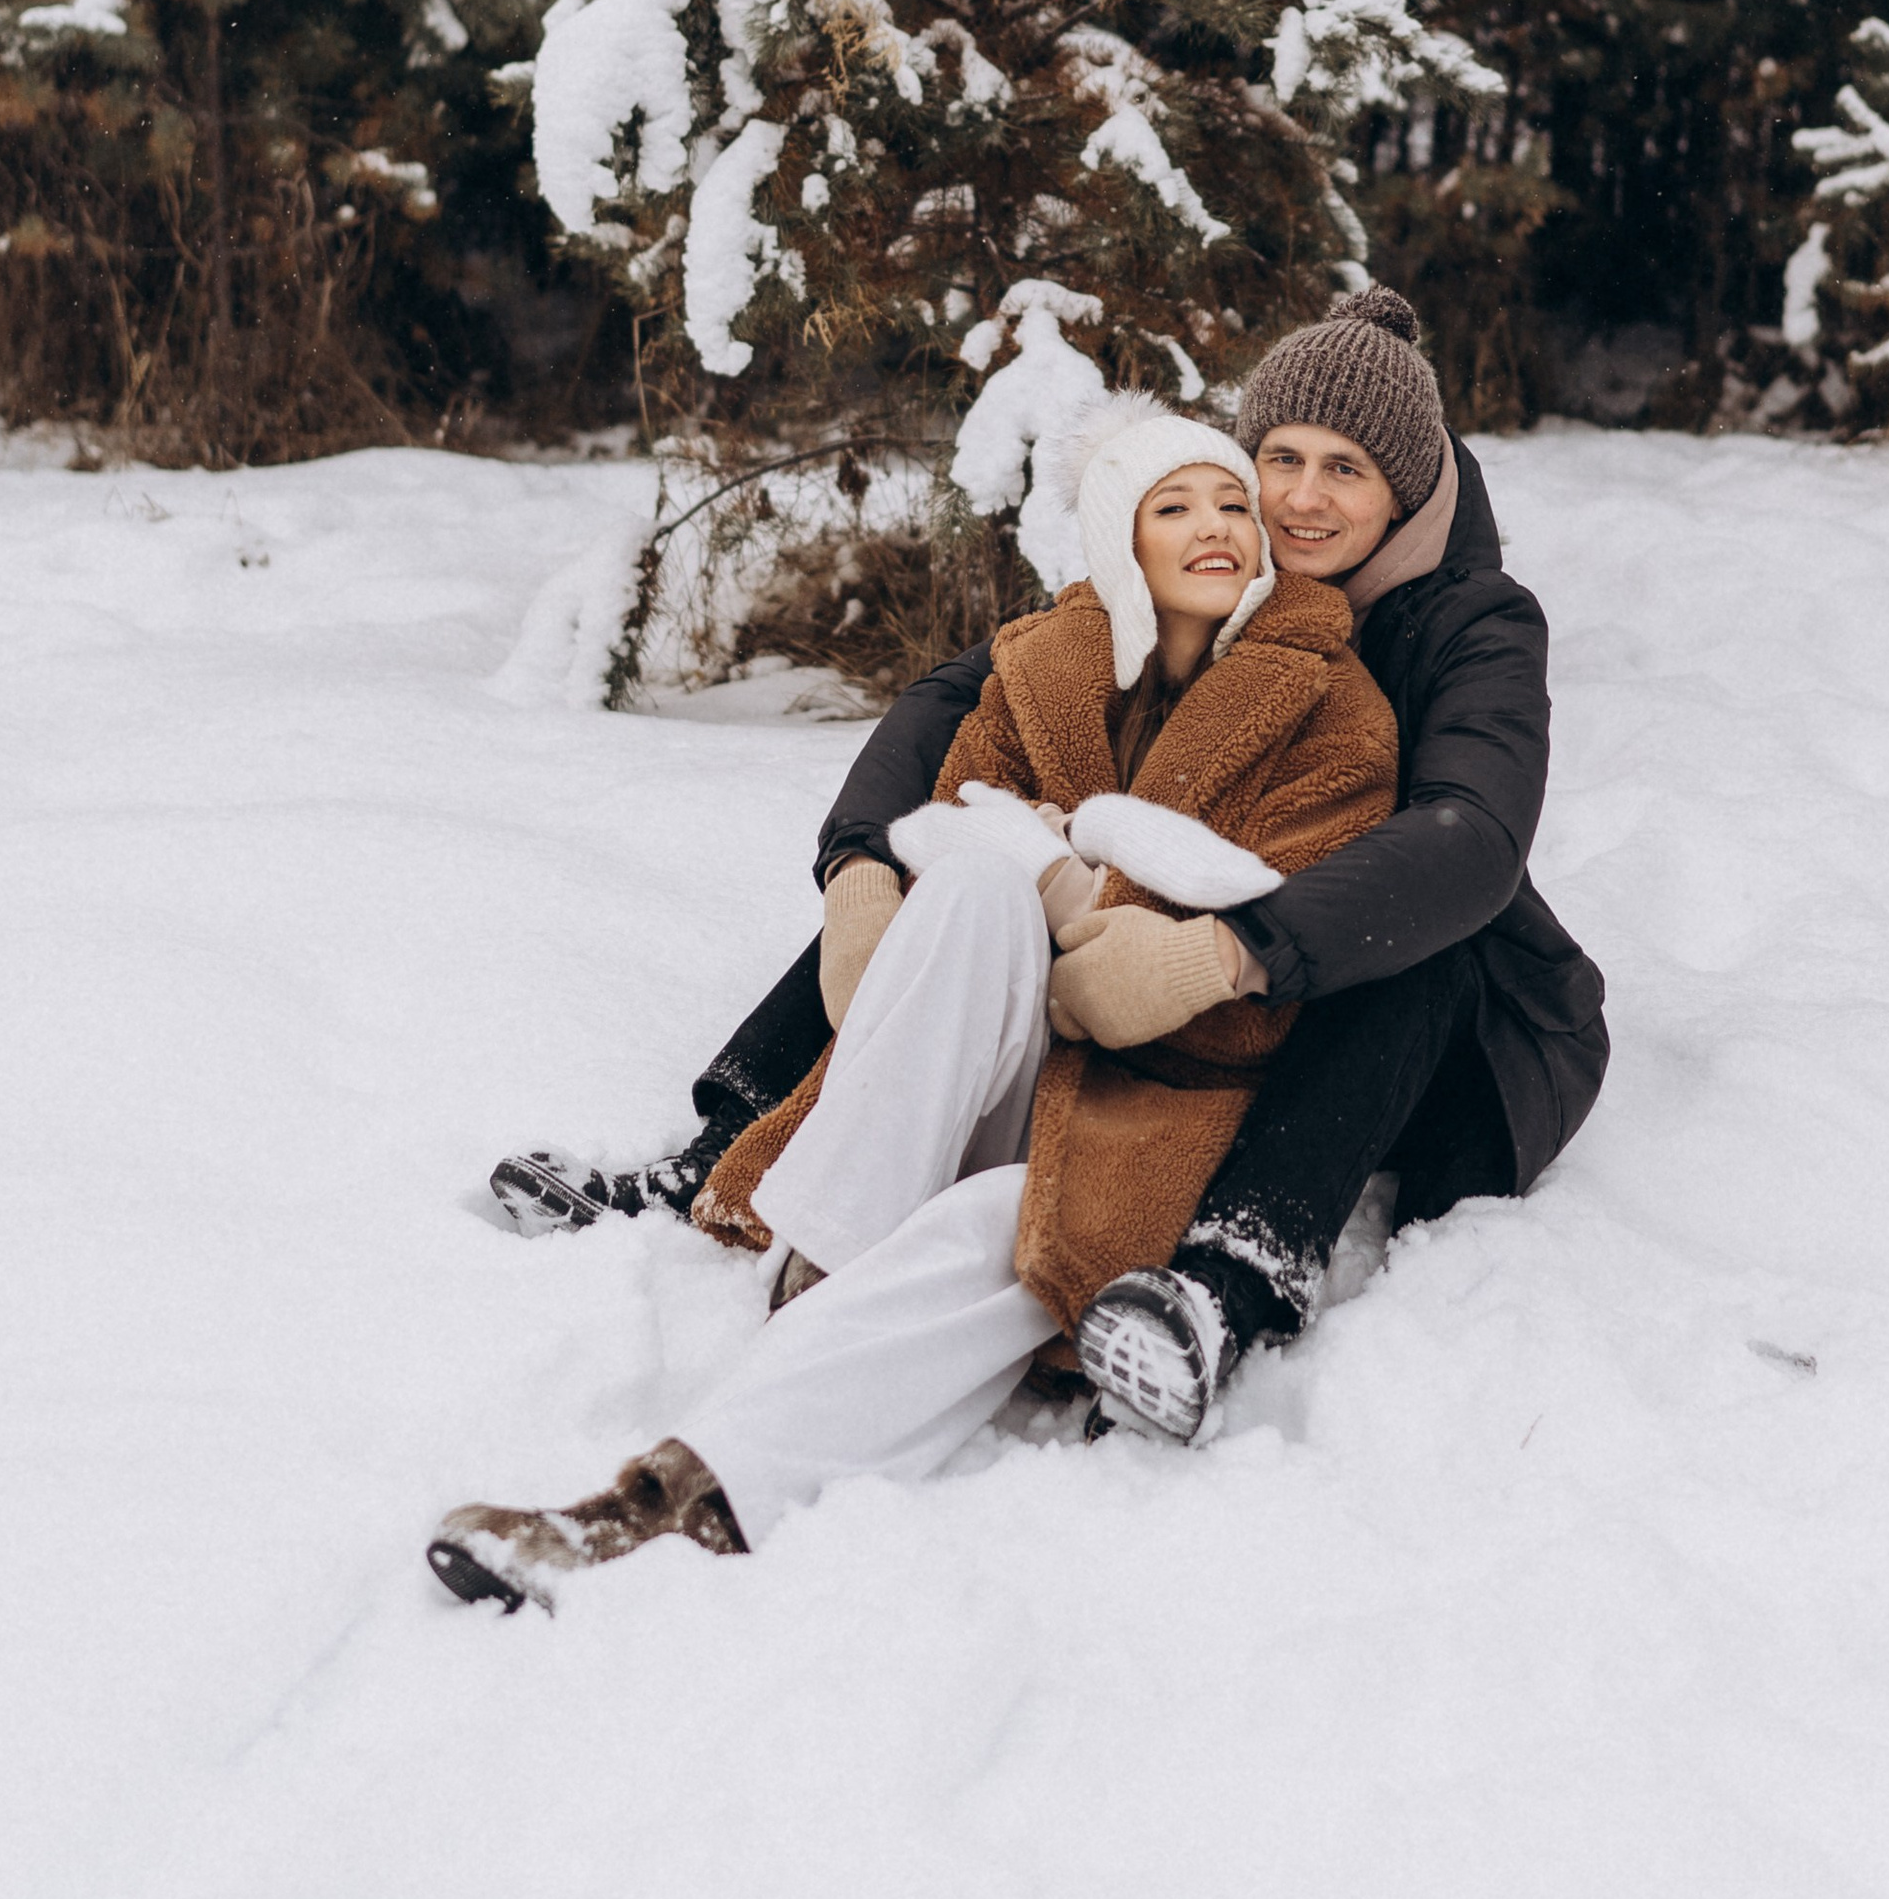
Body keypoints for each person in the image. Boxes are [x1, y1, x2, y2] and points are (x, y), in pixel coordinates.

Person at [490, 284, 1609, 1448]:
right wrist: (863, 869)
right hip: (1205, 946)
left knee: (1402, 943)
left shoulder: (1475, 620)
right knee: (966, 850)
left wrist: (1230, 952)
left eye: (1347, 469)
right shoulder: (1225, 561)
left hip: (1458, 1026)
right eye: (1281, 457)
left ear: (1408, 489)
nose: (1302, 499)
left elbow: (1471, 840)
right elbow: (969, 693)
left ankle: (1224, 1287)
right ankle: (712, 1159)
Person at [428, 402, 1399, 1607]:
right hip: (980, 1066)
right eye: (1174, 507)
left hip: (1148, 1101)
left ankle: (672, 1502)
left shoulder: (1337, 713)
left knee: (1010, 1216)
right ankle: (828, 1268)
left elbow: (1270, 978)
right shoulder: (1041, 671)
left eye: (1232, 506)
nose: (1218, 527)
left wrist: (1113, 924)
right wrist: (993, 886)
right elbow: (953, 835)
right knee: (980, 885)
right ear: (1119, 543)